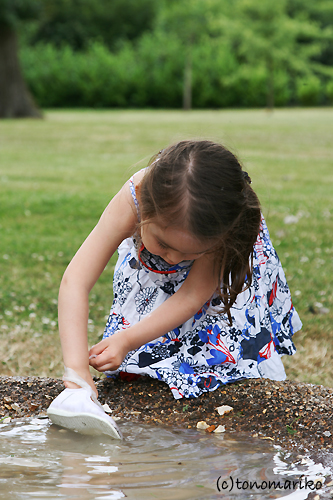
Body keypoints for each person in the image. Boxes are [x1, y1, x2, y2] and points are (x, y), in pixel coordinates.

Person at [48, 140, 301, 435]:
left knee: (217, 354)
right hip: (159, 276)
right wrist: (76, 371)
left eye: (190, 253)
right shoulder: (135, 195)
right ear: (143, 203)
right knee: (155, 332)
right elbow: (76, 281)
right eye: (165, 245)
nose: (174, 258)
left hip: (212, 289)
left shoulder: (221, 227)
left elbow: (193, 295)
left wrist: (127, 340)